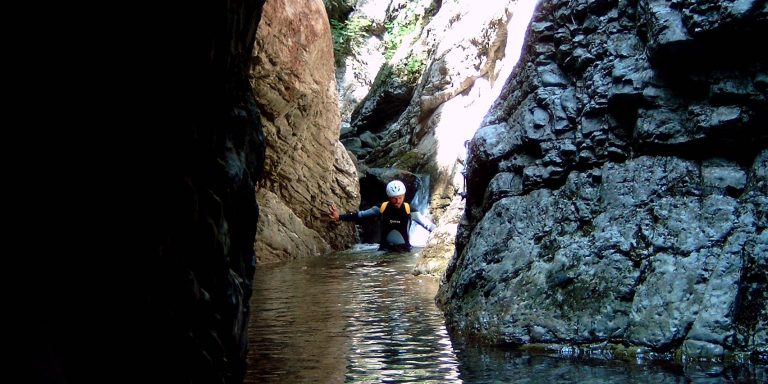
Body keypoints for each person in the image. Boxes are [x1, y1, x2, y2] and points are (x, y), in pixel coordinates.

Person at [329, 180, 436, 252]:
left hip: (404, 252)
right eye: (394, 198)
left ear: (404, 196)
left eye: (400, 197)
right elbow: (361, 215)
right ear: (389, 197)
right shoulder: (382, 208)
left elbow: (427, 225)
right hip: (384, 251)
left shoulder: (409, 210)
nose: (397, 201)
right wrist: (339, 217)